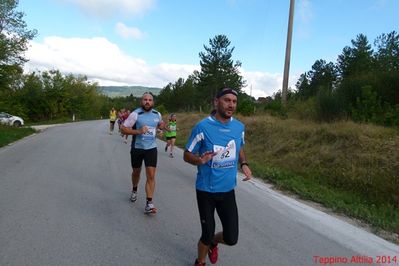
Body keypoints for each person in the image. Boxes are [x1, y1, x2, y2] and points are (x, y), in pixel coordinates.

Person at [183, 88, 252, 266]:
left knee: (231, 238)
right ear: (216, 102)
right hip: (206, 190)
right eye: (227, 100)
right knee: (206, 232)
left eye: (234, 101)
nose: (231, 105)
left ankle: (214, 242)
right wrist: (200, 160)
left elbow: (239, 147)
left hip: (227, 190)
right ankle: (200, 261)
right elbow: (187, 154)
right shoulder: (202, 127)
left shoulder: (238, 127)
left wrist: (243, 164)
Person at [121, 92, 164, 214]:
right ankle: (134, 190)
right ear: (141, 101)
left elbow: (159, 126)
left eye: (150, 100)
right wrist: (139, 131)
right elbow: (123, 129)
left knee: (151, 175)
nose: (147, 102)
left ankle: (149, 203)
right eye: (145, 99)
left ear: (153, 102)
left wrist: (159, 129)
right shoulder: (135, 114)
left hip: (151, 148)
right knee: (136, 172)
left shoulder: (157, 114)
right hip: (137, 148)